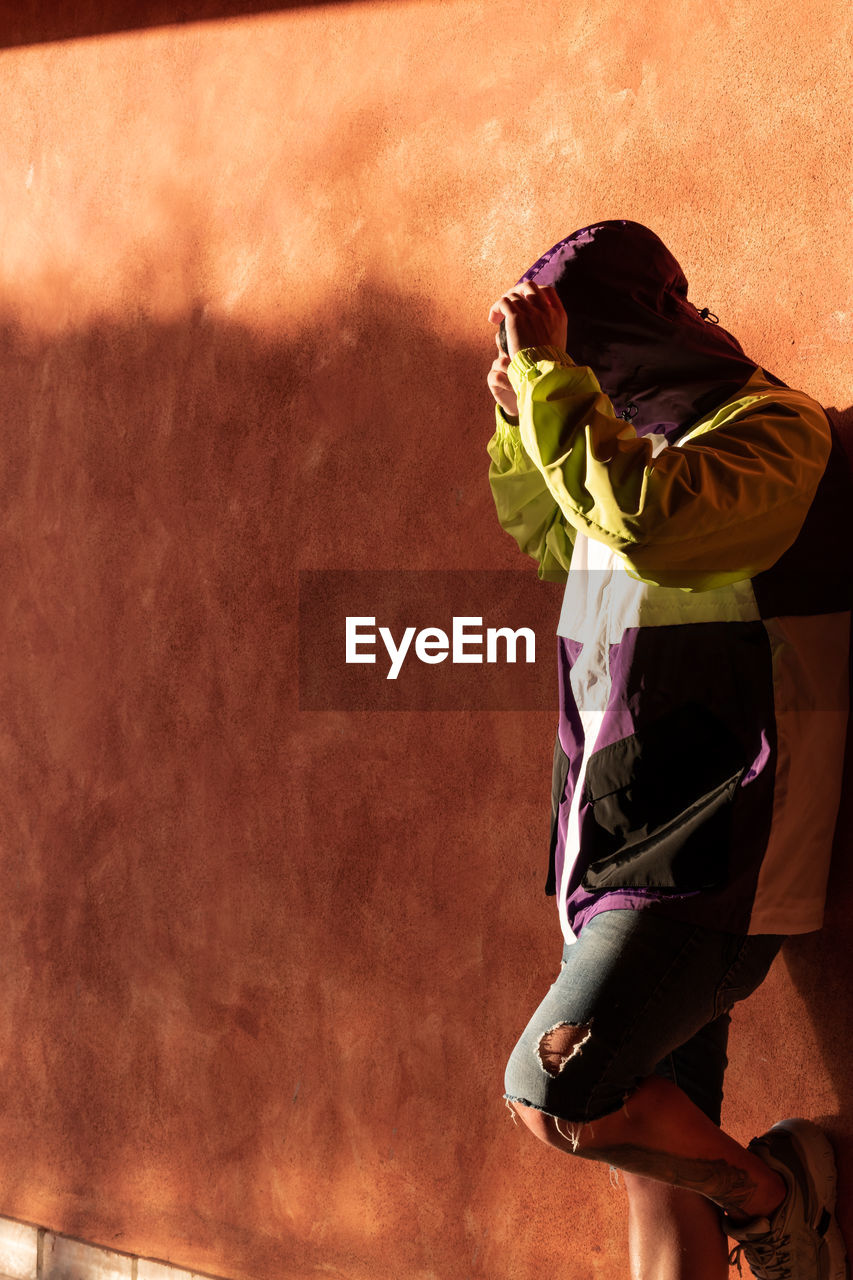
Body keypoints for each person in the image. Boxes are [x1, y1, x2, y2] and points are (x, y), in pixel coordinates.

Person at [485, 220, 851, 1280]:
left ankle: (782, 1192)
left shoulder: (773, 433)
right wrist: (521, 420)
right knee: (657, 1195)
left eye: (584, 347)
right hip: (614, 849)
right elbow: (556, 533)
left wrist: (556, 389)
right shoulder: (616, 456)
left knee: (557, 1090)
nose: (571, 373)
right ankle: (756, 1207)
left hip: (711, 860)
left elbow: (653, 526)